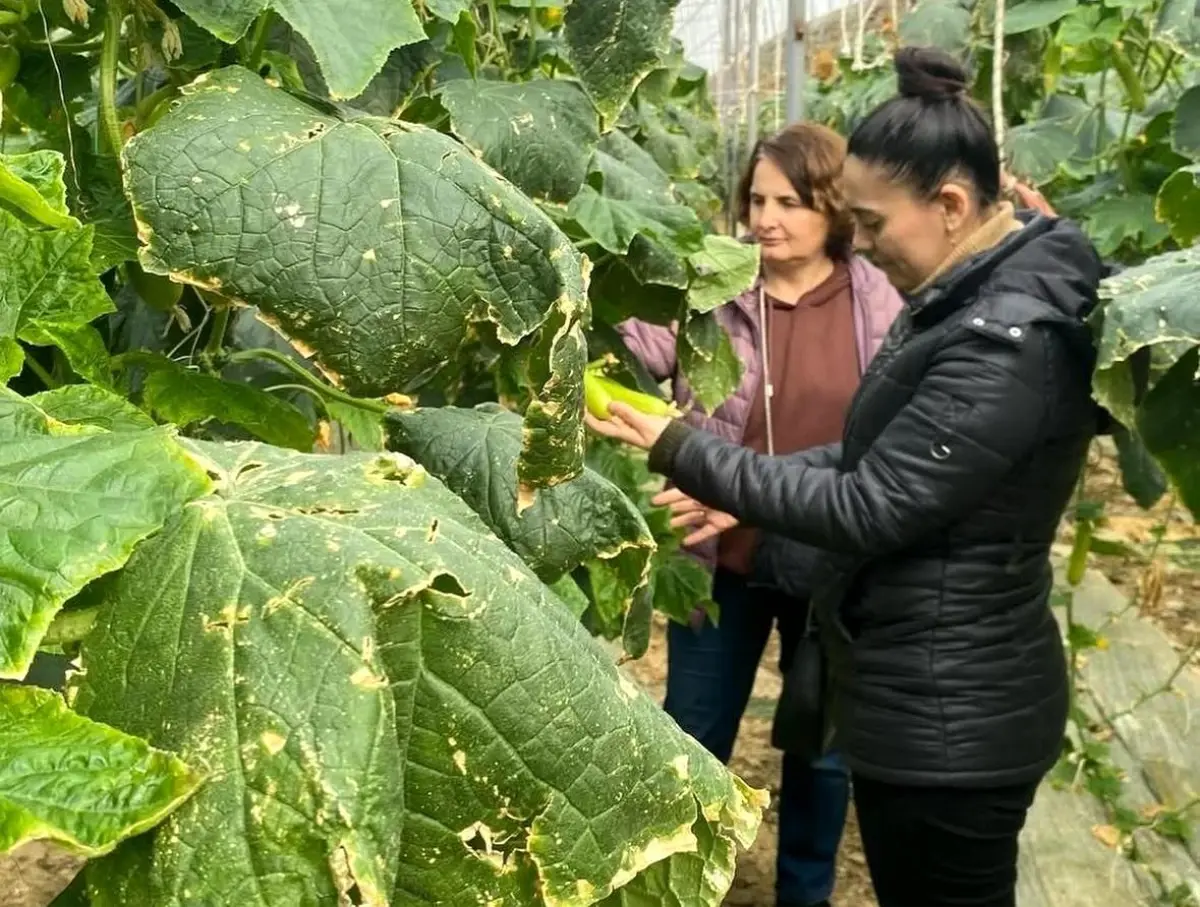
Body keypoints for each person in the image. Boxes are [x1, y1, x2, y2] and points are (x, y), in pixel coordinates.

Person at [591, 46, 1105, 907]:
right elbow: (875, 457)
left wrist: (681, 447)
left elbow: (870, 500)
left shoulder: (994, 340)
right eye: (757, 201)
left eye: (867, 221)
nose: (858, 241)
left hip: (951, 709)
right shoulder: (961, 303)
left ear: (949, 204)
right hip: (917, 675)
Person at [616, 122, 902, 907]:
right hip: (722, 559)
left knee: (821, 748)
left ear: (834, 208)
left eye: (789, 202)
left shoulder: (879, 300)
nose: (765, 218)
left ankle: (802, 896)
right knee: (692, 733)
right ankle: (671, 885)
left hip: (833, 562)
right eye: (756, 199)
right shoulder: (713, 289)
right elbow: (630, 349)